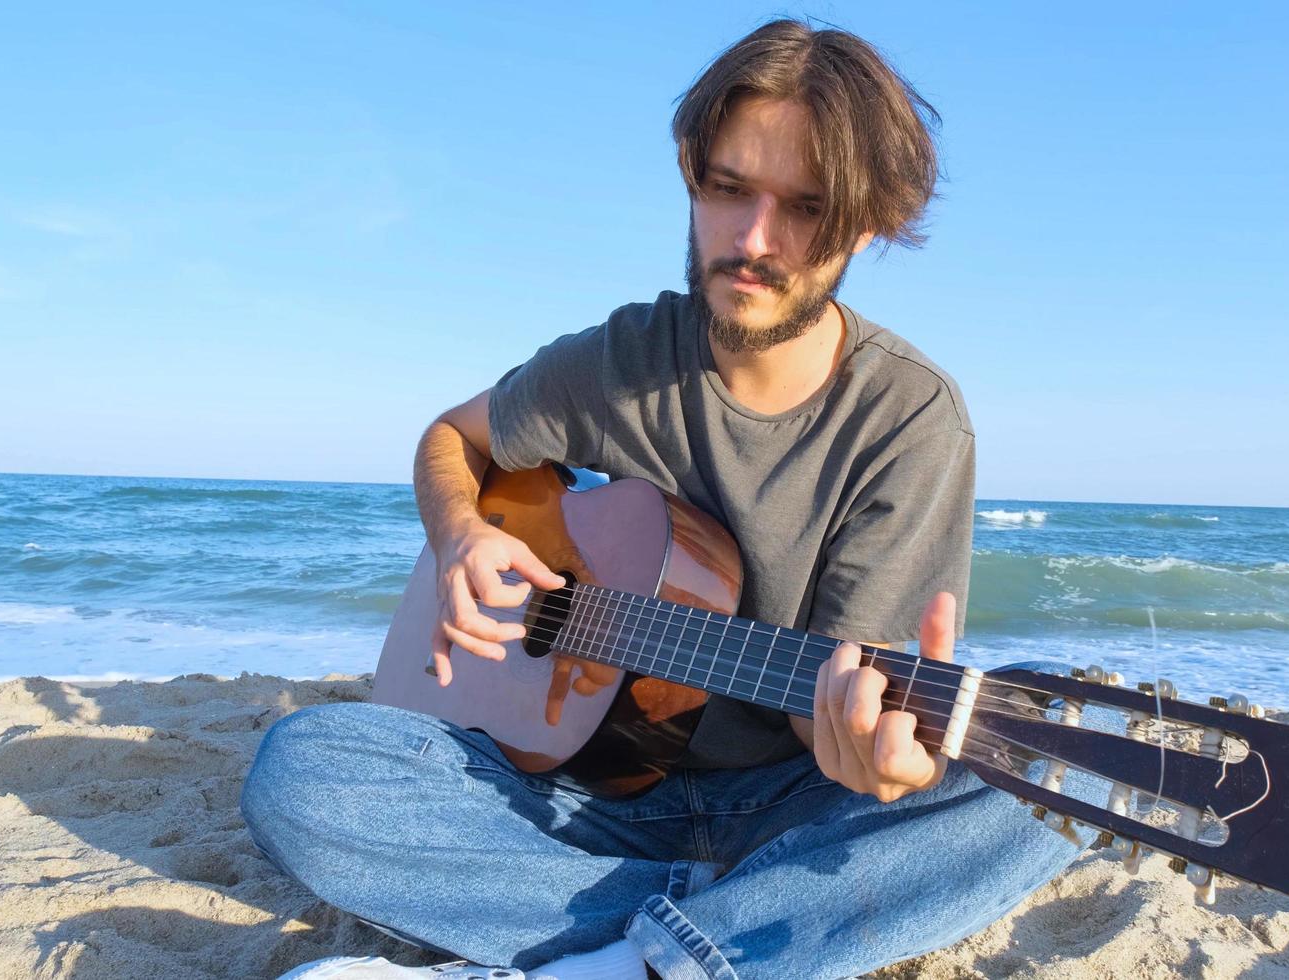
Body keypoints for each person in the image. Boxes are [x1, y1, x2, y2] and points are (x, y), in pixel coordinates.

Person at [242, 19, 1096, 980]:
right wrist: (460, 535)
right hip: (575, 794)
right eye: (727, 189)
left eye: (804, 208)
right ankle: (734, 934)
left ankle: (618, 958)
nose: (753, 239)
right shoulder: (618, 360)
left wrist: (878, 755)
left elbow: (840, 715)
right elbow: (452, 437)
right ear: (692, 177)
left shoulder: (908, 418)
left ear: (862, 226)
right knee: (305, 768)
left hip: (785, 794)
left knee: (1053, 776)